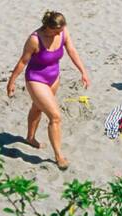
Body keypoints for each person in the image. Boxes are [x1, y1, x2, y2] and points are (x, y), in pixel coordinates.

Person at [7, 10, 90, 169]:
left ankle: (30, 138)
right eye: (56, 31)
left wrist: (83, 71)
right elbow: (23, 62)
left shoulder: (63, 32)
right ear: (48, 27)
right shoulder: (34, 40)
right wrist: (11, 81)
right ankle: (59, 156)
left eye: (61, 30)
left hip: (54, 77)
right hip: (36, 79)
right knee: (55, 116)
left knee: (37, 107)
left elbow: (72, 51)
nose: (59, 34)